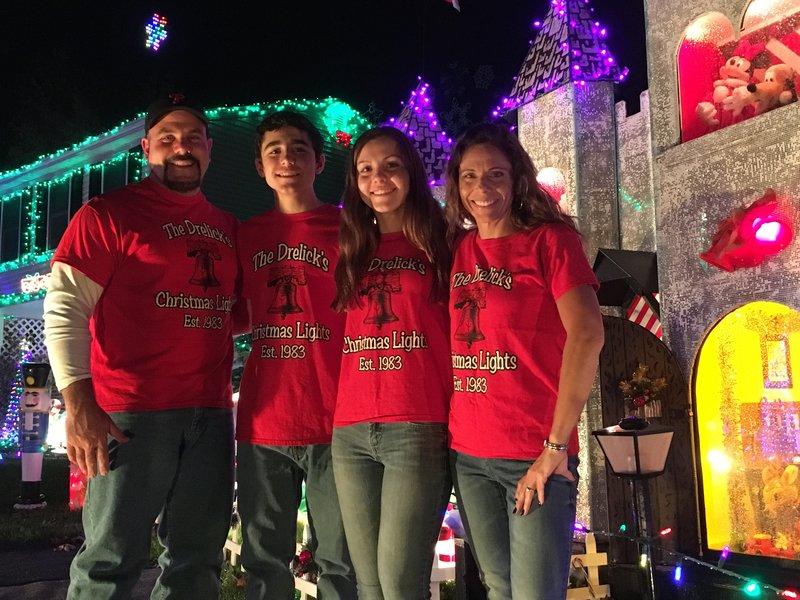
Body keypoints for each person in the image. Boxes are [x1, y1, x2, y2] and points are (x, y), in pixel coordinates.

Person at [43, 93, 239, 599]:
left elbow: (233, 314)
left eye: (193, 139)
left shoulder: (226, 227)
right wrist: (79, 401)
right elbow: (65, 307)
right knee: (110, 562)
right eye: (168, 139)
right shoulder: (108, 215)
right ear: (147, 148)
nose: (182, 148)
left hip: (210, 417)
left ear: (210, 151)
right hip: (129, 415)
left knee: (196, 563)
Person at [444, 123, 604, 600]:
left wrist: (555, 447)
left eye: (495, 174)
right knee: (498, 588)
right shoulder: (458, 250)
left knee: (535, 593)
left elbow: (588, 334)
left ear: (517, 179)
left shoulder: (550, 242)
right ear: (456, 186)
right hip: (469, 455)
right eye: (469, 177)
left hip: (534, 454)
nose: (482, 189)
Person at [236, 110, 356, 599]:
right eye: (274, 151)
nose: (287, 159)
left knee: (340, 563)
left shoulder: (351, 227)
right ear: (261, 168)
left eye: (299, 149)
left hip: (338, 418)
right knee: (264, 561)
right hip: (265, 420)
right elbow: (231, 312)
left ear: (320, 162)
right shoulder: (244, 236)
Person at [331, 126, 452, 600]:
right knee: (369, 585)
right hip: (350, 432)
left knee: (401, 583)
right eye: (365, 170)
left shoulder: (444, 243)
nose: (378, 178)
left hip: (417, 427)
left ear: (411, 173)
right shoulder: (349, 249)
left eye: (391, 165)